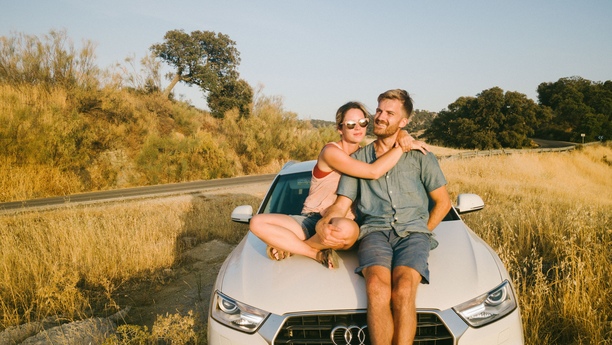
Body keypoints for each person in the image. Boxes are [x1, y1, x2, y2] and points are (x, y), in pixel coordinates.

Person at [316, 89, 451, 344]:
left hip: (413, 233)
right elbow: (342, 203)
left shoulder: (421, 157)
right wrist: (327, 220)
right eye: (379, 110)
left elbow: (443, 202)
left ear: (404, 121)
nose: (380, 117)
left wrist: (424, 230)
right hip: (374, 232)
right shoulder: (358, 159)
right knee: (377, 287)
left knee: (403, 289)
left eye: (389, 113)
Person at [249, 101, 429, 269]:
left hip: (345, 225)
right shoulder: (331, 152)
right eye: (351, 124)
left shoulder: (367, 155)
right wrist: (402, 147)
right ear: (340, 128)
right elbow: (372, 172)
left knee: (344, 228)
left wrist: (403, 135)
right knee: (257, 222)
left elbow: (389, 141)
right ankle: (313, 252)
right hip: (312, 219)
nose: (357, 128)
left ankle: (293, 246)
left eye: (362, 122)